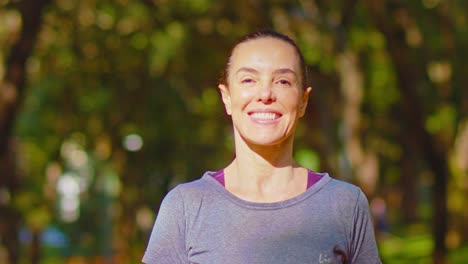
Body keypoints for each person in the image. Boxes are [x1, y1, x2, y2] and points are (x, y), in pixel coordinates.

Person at [142, 30, 382, 264]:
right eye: (248, 79)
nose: (265, 94)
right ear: (226, 97)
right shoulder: (186, 206)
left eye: (283, 81)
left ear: (303, 101)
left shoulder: (344, 203)